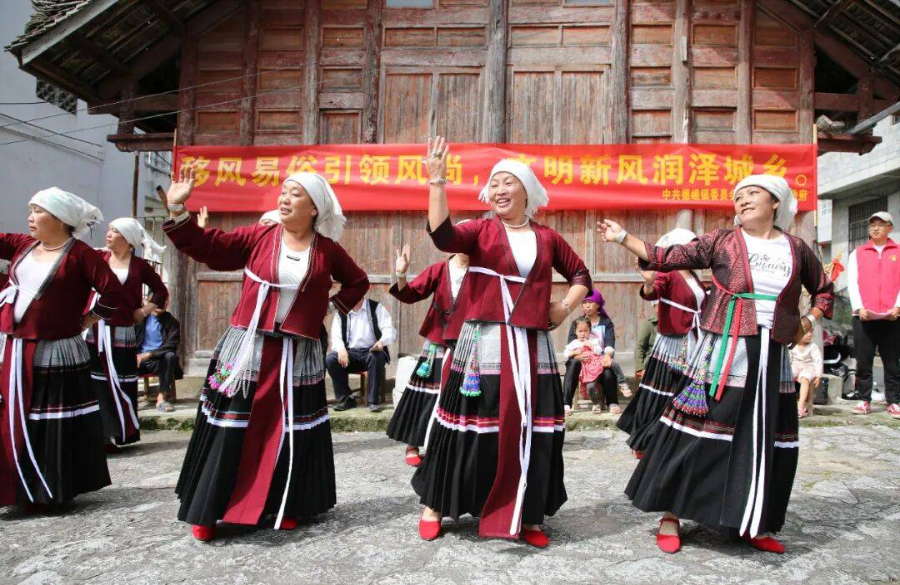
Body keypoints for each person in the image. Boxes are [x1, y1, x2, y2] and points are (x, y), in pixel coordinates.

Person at [598, 174, 834, 554]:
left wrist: (807, 322)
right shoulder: (723, 241)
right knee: (697, 431)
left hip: (772, 354)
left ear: (776, 202)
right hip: (725, 348)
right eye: (738, 196)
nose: (743, 200)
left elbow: (823, 290)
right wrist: (623, 237)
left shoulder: (796, 248)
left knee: (763, 437)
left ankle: (752, 521)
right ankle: (671, 515)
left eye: (753, 193)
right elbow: (668, 257)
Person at [162, 166, 369, 542]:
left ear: (314, 208)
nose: (284, 198)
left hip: (296, 352)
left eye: (295, 194)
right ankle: (211, 509)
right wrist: (178, 210)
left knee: (289, 430)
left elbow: (358, 282)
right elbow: (211, 248)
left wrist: (325, 306)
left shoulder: (328, 251)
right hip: (250, 346)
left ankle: (284, 504)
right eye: (283, 191)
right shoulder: (260, 235)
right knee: (232, 424)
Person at [412, 137, 591, 548]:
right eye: (493, 184)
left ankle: (527, 511)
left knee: (532, 427)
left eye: (508, 182)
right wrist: (437, 181)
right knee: (466, 423)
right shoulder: (480, 230)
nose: (498, 190)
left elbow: (581, 275)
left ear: (527, 191)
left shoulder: (547, 238)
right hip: (484, 343)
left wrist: (564, 307)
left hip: (531, 346)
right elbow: (443, 236)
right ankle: (436, 504)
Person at [0, 188, 123, 510]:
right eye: (31, 210)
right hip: (15, 347)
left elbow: (113, 293)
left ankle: (49, 489)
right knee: (14, 416)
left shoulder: (80, 255)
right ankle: (16, 487)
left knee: (48, 420)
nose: (30, 217)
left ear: (60, 219)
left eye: (38, 211)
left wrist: (88, 319)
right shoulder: (23, 245)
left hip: (54, 350)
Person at [616, 229, 706, 458]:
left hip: (693, 342)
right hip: (673, 345)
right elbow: (652, 292)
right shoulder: (668, 272)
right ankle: (646, 441)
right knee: (663, 392)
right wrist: (648, 282)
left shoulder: (693, 276)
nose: (693, 251)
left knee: (684, 392)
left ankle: (676, 442)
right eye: (689, 246)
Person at [85, 218, 168, 450]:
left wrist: (144, 311)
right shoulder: (97, 258)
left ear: (127, 238)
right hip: (96, 330)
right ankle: (100, 437)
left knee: (121, 381)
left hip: (122, 330)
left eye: (115, 231)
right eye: (109, 229)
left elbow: (160, 291)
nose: (108, 234)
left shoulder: (139, 266)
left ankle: (121, 432)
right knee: (96, 381)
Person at [387, 243, 470, 466]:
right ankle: (413, 444)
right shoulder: (438, 270)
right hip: (438, 340)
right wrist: (401, 274)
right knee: (426, 392)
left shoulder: (481, 272)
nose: (466, 247)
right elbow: (410, 294)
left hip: (467, 342)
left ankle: (446, 449)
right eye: (462, 241)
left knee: (461, 394)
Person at [846, 212, 900, 418]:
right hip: (864, 316)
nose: (876, 228)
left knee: (892, 361)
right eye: (872, 225)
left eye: (881, 224)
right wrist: (859, 307)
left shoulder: (898, 251)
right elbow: (852, 282)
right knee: (863, 360)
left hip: (892, 316)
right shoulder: (857, 253)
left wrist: (898, 307)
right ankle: (864, 399)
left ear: (890, 228)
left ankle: (893, 401)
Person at [563, 289, 629, 416]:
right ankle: (566, 404)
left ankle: (612, 403)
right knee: (573, 364)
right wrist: (578, 355)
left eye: (590, 302)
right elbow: (571, 343)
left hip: (599, 358)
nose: (587, 306)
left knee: (608, 371)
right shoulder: (578, 322)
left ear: (598, 304)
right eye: (584, 303)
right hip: (580, 358)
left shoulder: (606, 322)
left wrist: (607, 356)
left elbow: (609, 342)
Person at [326, 295, 396, 413]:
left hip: (371, 352)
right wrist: (341, 349)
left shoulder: (376, 307)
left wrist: (381, 342)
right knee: (330, 359)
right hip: (350, 354)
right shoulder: (342, 311)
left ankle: (373, 401)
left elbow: (389, 329)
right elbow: (336, 336)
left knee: (376, 357)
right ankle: (347, 398)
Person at [136, 298, 183, 412]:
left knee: (170, 356)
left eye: (165, 300)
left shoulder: (172, 322)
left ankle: (161, 399)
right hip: (139, 360)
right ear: (148, 302)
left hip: (158, 360)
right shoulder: (139, 319)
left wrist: (150, 354)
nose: (163, 303)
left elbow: (171, 345)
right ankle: (129, 400)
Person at [563, 317, 607, 414]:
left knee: (610, 367)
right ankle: (566, 404)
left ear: (590, 330)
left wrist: (590, 346)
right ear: (575, 332)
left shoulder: (593, 340)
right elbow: (566, 353)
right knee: (574, 364)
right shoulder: (574, 343)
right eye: (580, 331)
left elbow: (600, 351)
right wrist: (574, 353)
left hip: (592, 369)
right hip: (581, 370)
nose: (583, 333)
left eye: (586, 331)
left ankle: (598, 402)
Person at [790, 330, 822, 419]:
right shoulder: (792, 345)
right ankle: (785, 403)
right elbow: (789, 359)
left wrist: (818, 375)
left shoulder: (813, 347)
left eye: (811, 332)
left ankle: (800, 406)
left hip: (809, 367)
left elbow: (818, 361)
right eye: (806, 332)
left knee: (805, 378)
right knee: (787, 376)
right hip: (795, 365)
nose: (810, 334)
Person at [634, 310, 658, 381]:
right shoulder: (649, 324)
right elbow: (639, 346)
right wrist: (640, 369)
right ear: (655, 307)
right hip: (651, 364)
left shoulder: (673, 325)